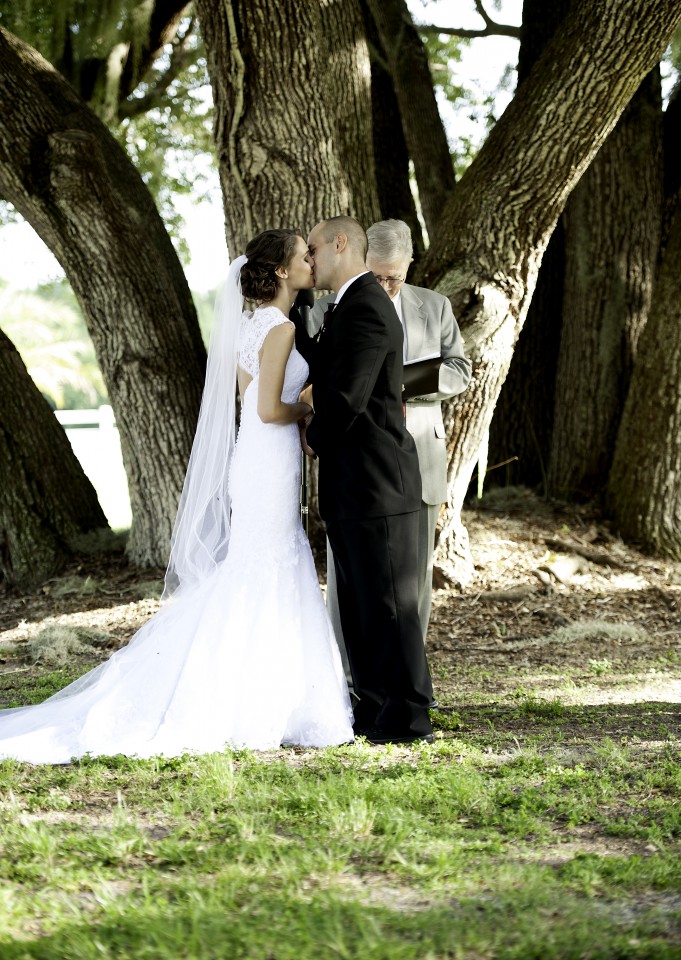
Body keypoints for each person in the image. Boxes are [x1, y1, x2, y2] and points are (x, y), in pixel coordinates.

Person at [0, 230, 354, 765]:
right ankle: (262, 702)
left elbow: (244, 397)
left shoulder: (253, 325)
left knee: (258, 564)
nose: (312, 261)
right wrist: (310, 404)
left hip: (255, 459)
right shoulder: (278, 329)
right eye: (304, 255)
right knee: (268, 564)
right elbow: (265, 410)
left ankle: (265, 696)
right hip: (268, 454)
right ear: (282, 271)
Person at [309, 219, 472, 689]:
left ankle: (407, 680)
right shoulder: (329, 310)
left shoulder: (433, 306)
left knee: (409, 584)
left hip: (418, 455)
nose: (383, 285)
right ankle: (352, 679)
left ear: (408, 267)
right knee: (350, 581)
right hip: (359, 469)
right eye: (376, 275)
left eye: (393, 278)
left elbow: (460, 369)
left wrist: (396, 382)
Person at [299, 215, 434, 744]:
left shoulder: (366, 310)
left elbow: (346, 400)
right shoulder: (345, 308)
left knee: (389, 608)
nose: (309, 259)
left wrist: (313, 434)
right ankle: (375, 709)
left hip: (378, 483)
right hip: (353, 485)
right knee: (360, 607)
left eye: (313, 249)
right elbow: (327, 367)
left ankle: (407, 717)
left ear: (340, 244)